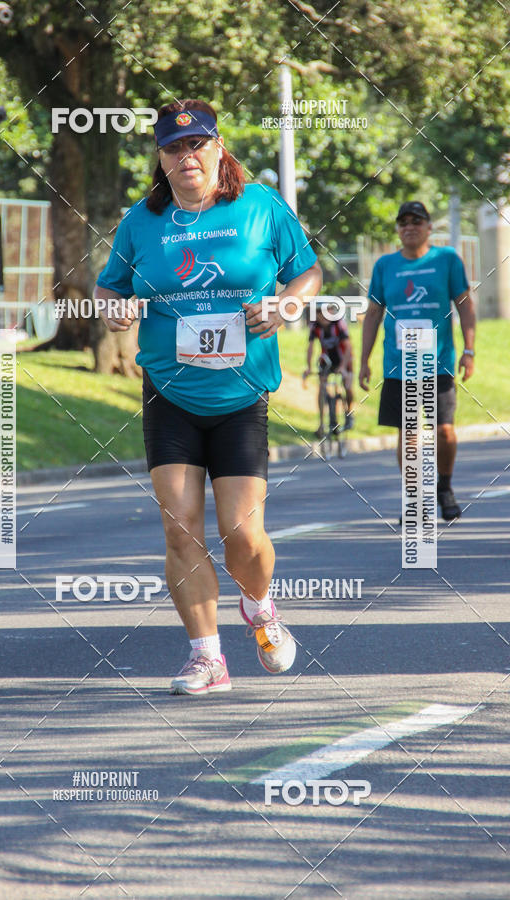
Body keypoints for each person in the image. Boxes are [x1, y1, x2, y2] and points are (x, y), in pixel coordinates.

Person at [94, 99, 322, 694]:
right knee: (180, 528)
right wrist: (113, 306)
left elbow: (308, 271)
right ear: (161, 158)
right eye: (173, 147)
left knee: (242, 535)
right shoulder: (142, 220)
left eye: (196, 144)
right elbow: (107, 285)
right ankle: (207, 657)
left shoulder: (261, 207)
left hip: (240, 394)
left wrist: (286, 304)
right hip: (168, 392)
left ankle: (260, 605)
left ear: (219, 148)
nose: (186, 156)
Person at [359, 201, 476, 521]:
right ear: (398, 229)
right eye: (403, 222)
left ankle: (445, 488)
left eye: (416, 221)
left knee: (444, 432)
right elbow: (372, 314)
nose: (409, 227)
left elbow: (465, 305)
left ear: (428, 227)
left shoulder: (447, 260)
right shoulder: (385, 265)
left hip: (438, 363)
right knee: (408, 433)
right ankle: (415, 499)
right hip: (399, 365)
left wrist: (469, 350)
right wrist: (364, 361)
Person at [303, 302, 354, 436]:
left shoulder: (338, 323)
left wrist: (343, 367)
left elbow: (348, 347)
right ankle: (321, 424)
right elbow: (310, 347)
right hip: (326, 360)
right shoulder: (315, 326)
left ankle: (349, 413)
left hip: (344, 358)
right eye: (319, 312)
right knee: (322, 387)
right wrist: (308, 367)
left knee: (347, 386)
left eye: (326, 311)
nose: (322, 315)